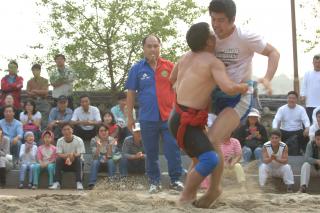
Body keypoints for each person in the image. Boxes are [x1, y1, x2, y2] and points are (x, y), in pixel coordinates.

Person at [204, 0, 279, 208]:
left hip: (240, 95)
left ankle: (214, 189)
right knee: (200, 143)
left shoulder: (245, 37)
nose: (216, 25)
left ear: (232, 21)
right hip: (216, 95)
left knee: (213, 140)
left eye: (220, 20)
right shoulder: (210, 39)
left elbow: (274, 53)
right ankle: (203, 184)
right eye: (212, 19)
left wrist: (267, 78)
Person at [168, 22, 248, 206]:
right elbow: (228, 88)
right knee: (209, 158)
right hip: (187, 122)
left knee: (199, 159)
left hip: (177, 116)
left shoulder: (184, 57)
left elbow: (172, 79)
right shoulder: (213, 62)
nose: (215, 37)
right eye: (212, 35)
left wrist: (193, 91)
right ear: (208, 42)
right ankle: (185, 197)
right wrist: (242, 87)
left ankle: (196, 194)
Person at [126, 34, 184, 193]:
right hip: (147, 117)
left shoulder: (170, 66)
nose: (152, 49)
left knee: (172, 149)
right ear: (143, 48)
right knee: (150, 152)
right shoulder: (137, 68)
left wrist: (182, 112)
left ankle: (176, 180)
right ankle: (154, 182)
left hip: (169, 116)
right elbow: (130, 93)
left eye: (155, 46)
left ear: (160, 47)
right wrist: (129, 116)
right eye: (149, 46)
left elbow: (179, 89)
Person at [88, 125, 126, 189]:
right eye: (101, 131)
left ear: (108, 132)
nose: (103, 132)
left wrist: (110, 146)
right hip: (98, 160)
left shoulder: (112, 139)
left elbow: (110, 155)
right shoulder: (94, 140)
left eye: (105, 130)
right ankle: (92, 184)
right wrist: (98, 146)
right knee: (95, 162)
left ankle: (111, 182)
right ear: (98, 132)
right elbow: (95, 156)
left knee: (111, 161)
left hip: (109, 159)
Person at [272, 91, 310, 155]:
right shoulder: (281, 109)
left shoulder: (301, 109)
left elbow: (306, 120)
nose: (291, 100)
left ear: (296, 100)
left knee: (306, 135)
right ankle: (276, 152)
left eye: (293, 98)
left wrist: (307, 128)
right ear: (287, 99)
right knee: (275, 135)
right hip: (284, 131)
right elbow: (276, 120)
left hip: (297, 131)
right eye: (290, 98)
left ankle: (304, 152)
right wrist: (275, 129)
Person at [49, 123, 85, 190]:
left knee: (78, 159)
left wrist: (73, 155)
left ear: (72, 130)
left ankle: (79, 182)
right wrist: (68, 156)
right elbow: (59, 154)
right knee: (58, 159)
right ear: (62, 131)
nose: (66, 131)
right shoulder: (60, 140)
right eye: (64, 130)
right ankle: (57, 183)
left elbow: (79, 153)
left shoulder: (79, 140)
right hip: (64, 162)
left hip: (75, 162)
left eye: (68, 129)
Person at [27, 64, 50, 129]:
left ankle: (43, 134)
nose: (35, 72)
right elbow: (28, 93)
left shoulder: (45, 80)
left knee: (44, 120)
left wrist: (34, 91)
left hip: (43, 101)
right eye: (33, 70)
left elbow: (45, 92)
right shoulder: (29, 82)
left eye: (37, 70)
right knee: (32, 117)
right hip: (33, 101)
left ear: (40, 71)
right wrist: (40, 91)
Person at [300, 54, 320, 123]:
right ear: (313, 63)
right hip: (310, 104)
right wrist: (302, 95)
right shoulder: (308, 73)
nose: (317, 64)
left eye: (319, 62)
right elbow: (304, 85)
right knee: (311, 123)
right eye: (316, 62)